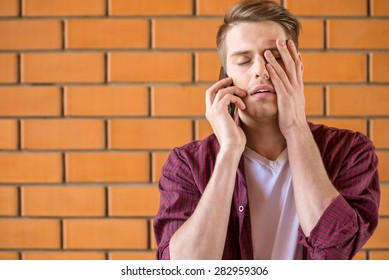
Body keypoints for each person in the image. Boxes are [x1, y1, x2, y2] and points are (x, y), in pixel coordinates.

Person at [153, 0, 380, 260]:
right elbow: (184, 271)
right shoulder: (187, 164)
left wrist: (295, 127)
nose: (261, 71)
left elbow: (336, 248)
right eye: (244, 60)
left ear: (298, 67)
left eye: (276, 57)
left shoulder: (351, 151)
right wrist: (229, 151)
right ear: (225, 78)